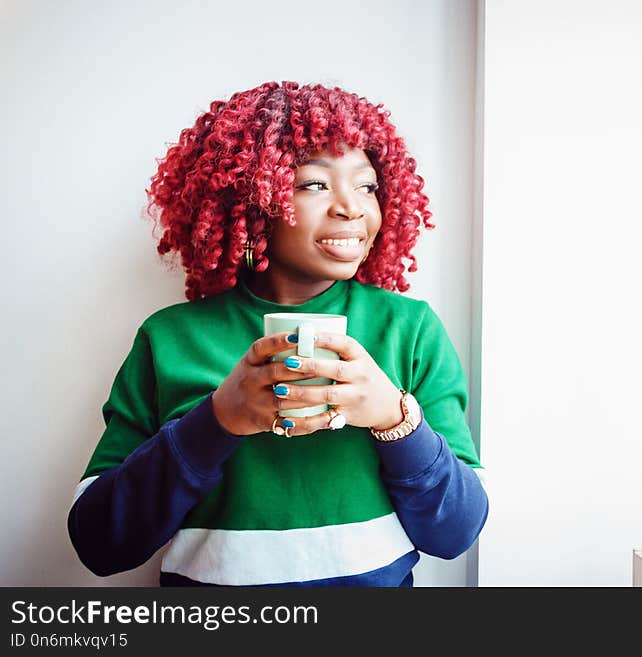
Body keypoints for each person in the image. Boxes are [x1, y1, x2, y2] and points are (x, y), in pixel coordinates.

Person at [67, 81, 489, 587]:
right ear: (250, 199)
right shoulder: (169, 339)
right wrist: (218, 420)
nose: (351, 207)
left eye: (367, 185)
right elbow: (99, 542)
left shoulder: (410, 330)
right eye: (313, 184)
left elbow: (457, 532)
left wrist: (394, 418)